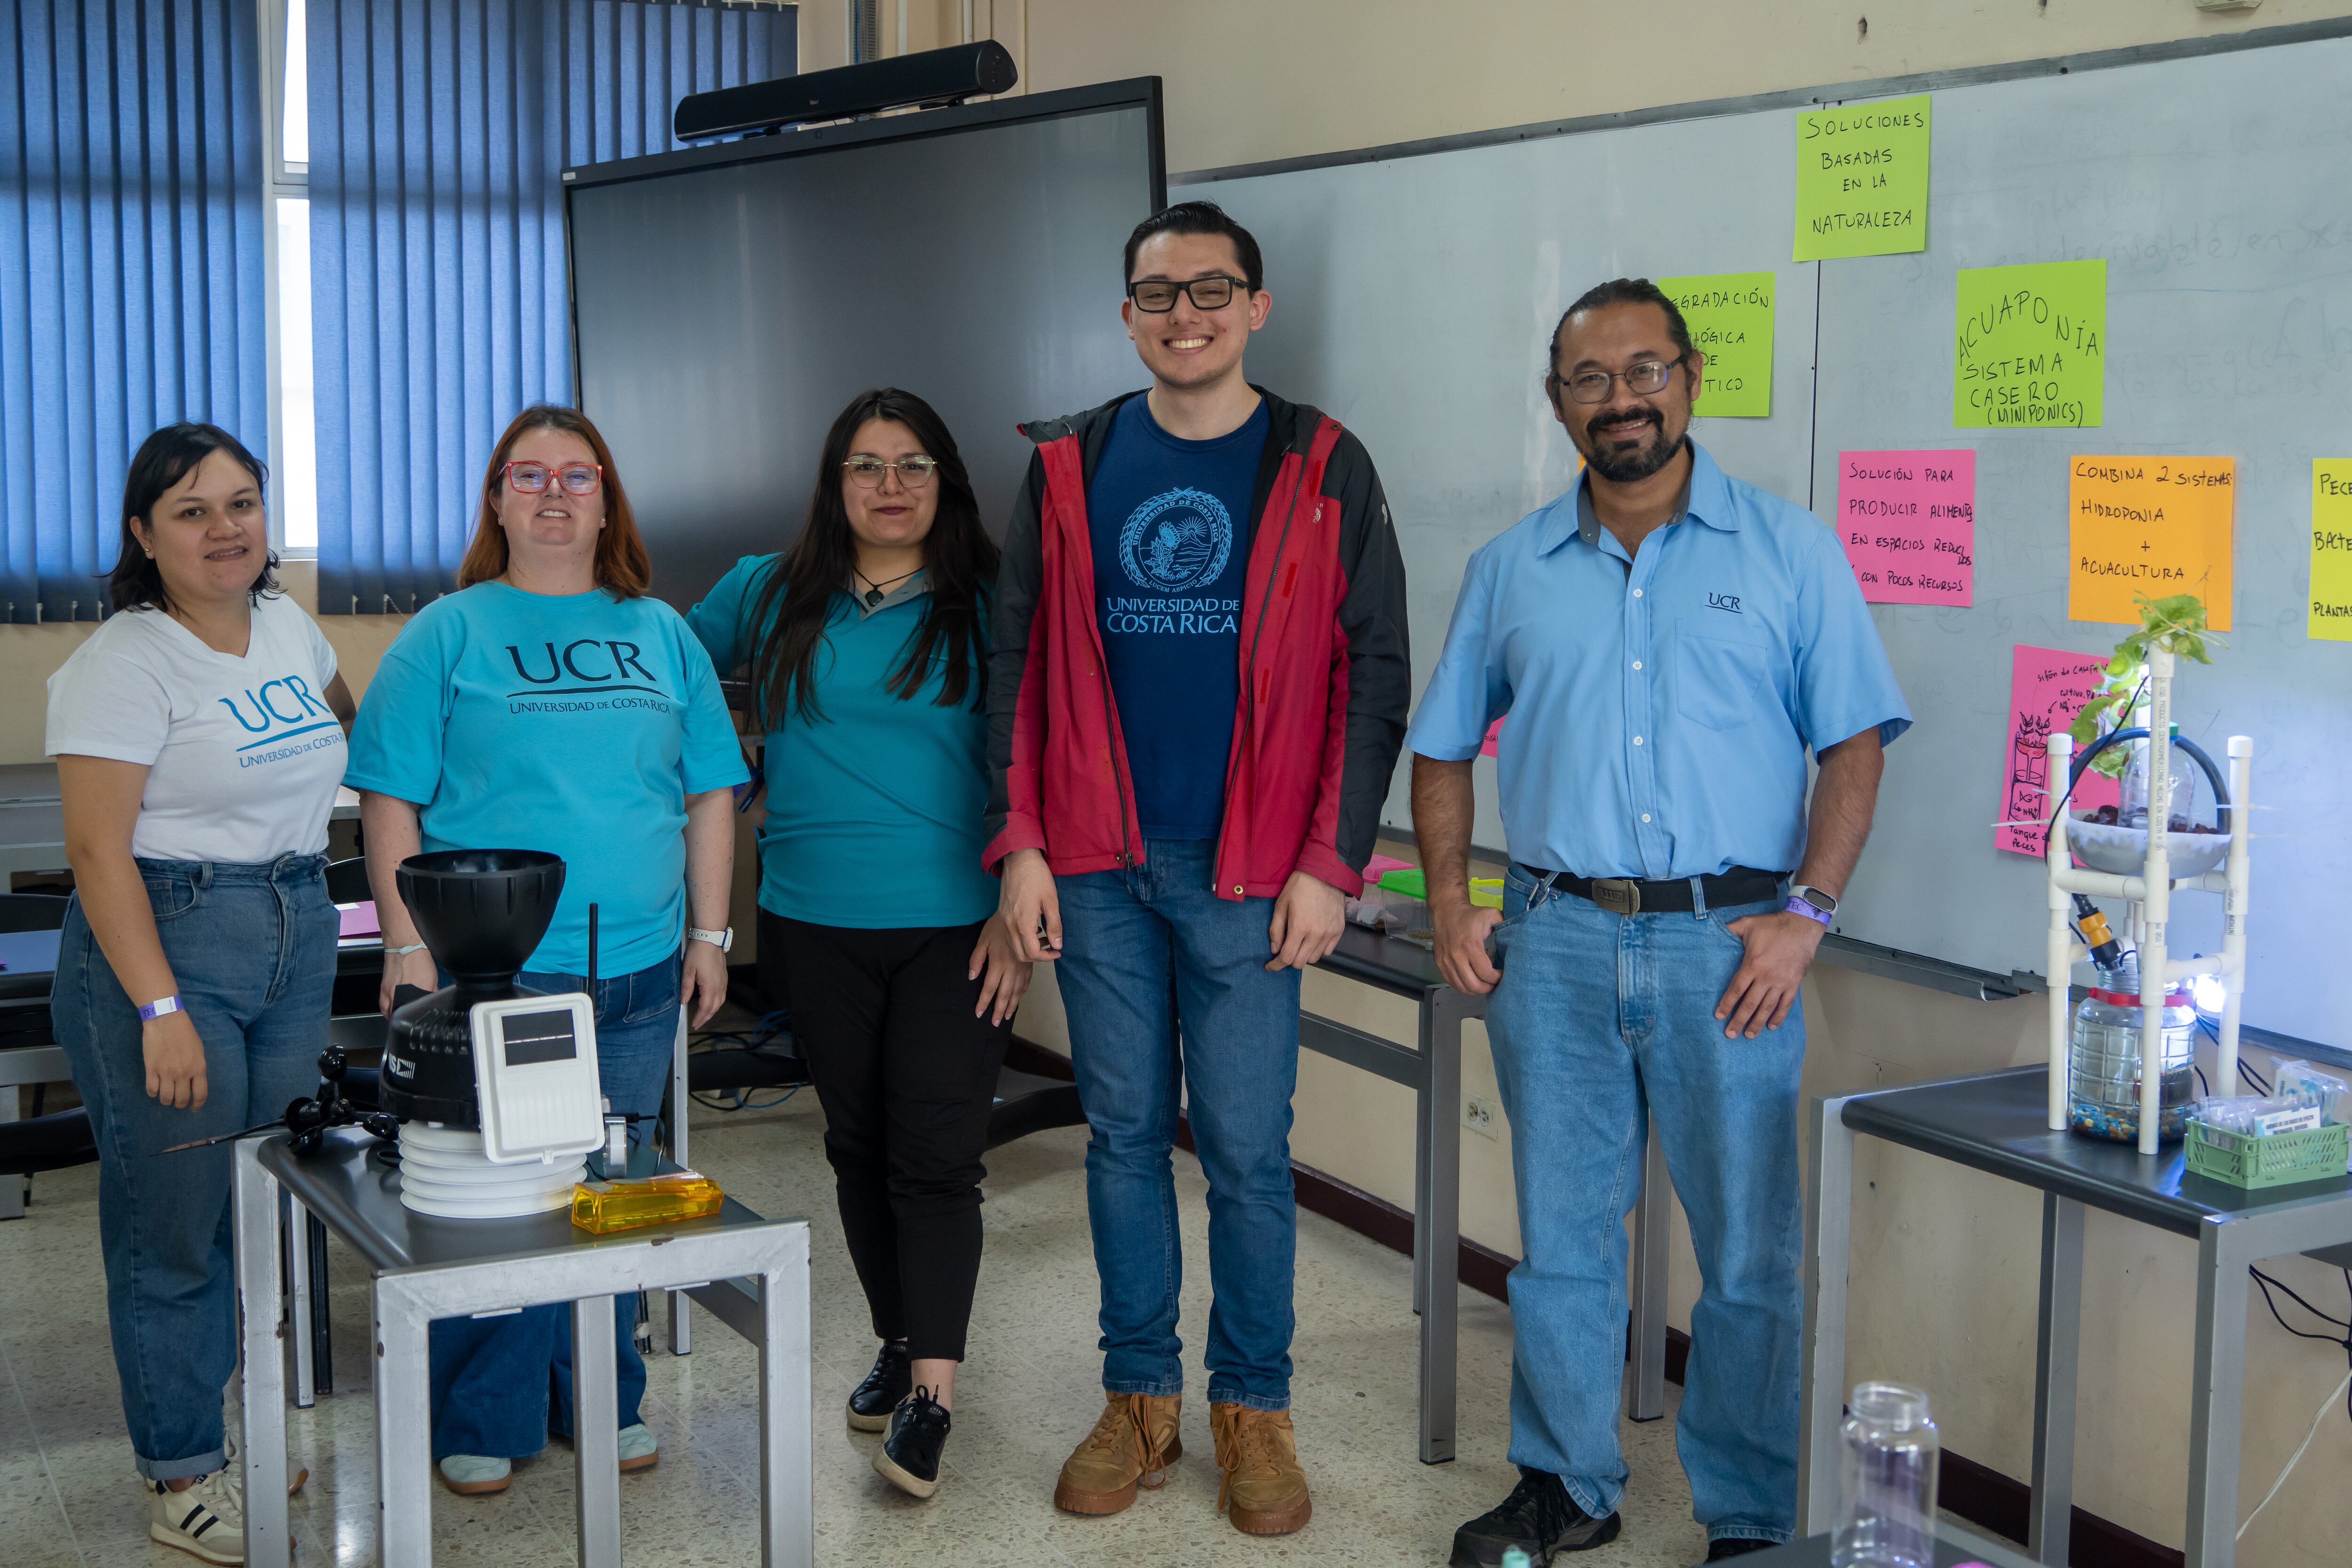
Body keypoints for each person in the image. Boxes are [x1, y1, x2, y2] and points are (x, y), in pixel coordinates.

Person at [1407, 278, 1911, 1567]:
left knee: (1748, 1251)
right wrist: (1457, 897)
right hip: (1557, 939)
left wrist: (1807, 912)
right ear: (1560, 401)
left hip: (1730, 948)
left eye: (1645, 369)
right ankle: (1565, 1482)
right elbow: (1446, 746)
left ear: (1689, 378)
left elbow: (1854, 743)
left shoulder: (1790, 550)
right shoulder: (1511, 567)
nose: (1620, 396)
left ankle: (1744, 1511)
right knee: (1562, 1239)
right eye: (1590, 376)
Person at [987, 200, 1410, 1536]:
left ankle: (1255, 1408)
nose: (1186, 314)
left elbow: (1373, 673)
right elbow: (1013, 665)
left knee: (1243, 1149)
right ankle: (1140, 1398)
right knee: (1121, 1134)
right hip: (1097, 860)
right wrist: (1023, 846)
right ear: (1127, 315)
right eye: (1158, 294)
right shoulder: (1072, 463)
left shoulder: (1324, 462)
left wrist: (1330, 861)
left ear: (1256, 307)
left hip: (1252, 869)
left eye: (1211, 289)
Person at [346, 404, 746, 1496]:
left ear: (607, 499)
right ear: (497, 500)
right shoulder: (448, 631)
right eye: (530, 474)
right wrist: (406, 946)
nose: (555, 492)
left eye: (579, 475)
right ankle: (485, 1411)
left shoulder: (662, 631)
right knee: (503, 1200)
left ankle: (602, 1395)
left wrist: (710, 935)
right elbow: (390, 799)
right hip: (497, 978)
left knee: (608, 1185)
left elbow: (710, 790)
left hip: (636, 969)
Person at [685, 388, 1031, 1500]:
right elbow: (665, 680)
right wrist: (731, 763)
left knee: (935, 1157)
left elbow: (1042, 747)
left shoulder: (989, 598)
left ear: (949, 481)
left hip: (956, 926)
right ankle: (897, 1334)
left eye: (915, 464)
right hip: (810, 919)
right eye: (867, 465)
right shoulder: (769, 588)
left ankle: (932, 1393)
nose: (892, 486)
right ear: (833, 484)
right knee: (855, 1146)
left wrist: (1019, 903)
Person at [48, 423, 354, 1565]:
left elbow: (349, 725)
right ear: (143, 532)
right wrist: (158, 1009)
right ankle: (180, 1469)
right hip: (166, 940)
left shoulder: (286, 623)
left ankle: (240, 1433)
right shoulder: (123, 662)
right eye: (191, 509)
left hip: (294, 921)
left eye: (242, 502)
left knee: (260, 1200)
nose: (225, 528)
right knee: (172, 1225)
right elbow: (95, 850)